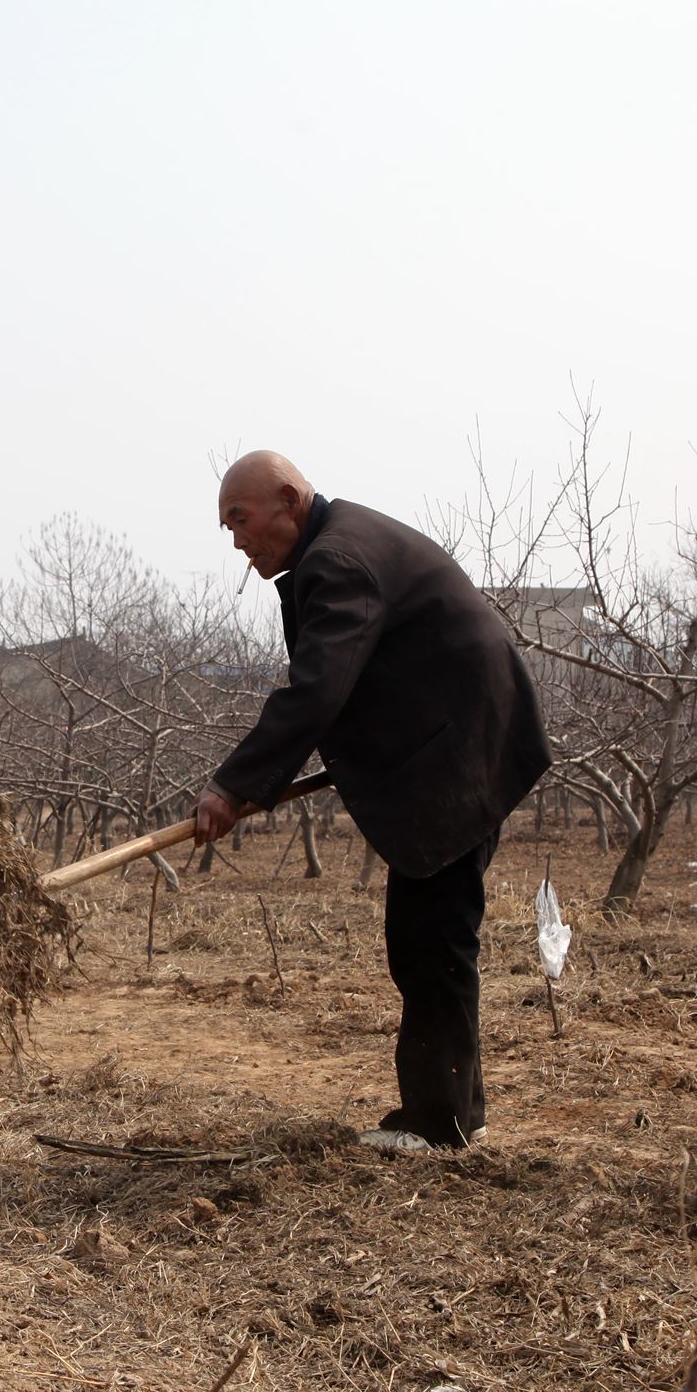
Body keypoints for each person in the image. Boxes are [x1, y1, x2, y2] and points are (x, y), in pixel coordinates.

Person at [193, 451, 552, 1151]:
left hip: (457, 757)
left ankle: (437, 1123)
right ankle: (455, 1112)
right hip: (457, 746)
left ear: (289, 501)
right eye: (226, 526)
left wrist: (233, 785)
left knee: (432, 941)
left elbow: (320, 688)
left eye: (241, 519)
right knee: (429, 938)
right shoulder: (343, 546)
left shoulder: (340, 561)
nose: (237, 540)